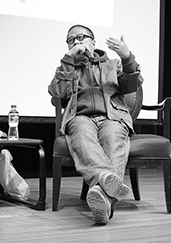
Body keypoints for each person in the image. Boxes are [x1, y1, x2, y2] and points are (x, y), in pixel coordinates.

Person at [48, 24, 143, 225]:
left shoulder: (112, 64)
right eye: (71, 40)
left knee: (112, 137)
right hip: (80, 117)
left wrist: (127, 58)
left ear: (93, 41)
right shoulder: (67, 68)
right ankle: (106, 180)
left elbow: (131, 84)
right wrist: (68, 61)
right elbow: (59, 94)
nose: (76, 41)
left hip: (112, 117)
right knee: (81, 134)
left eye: (81, 37)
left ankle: (103, 198)